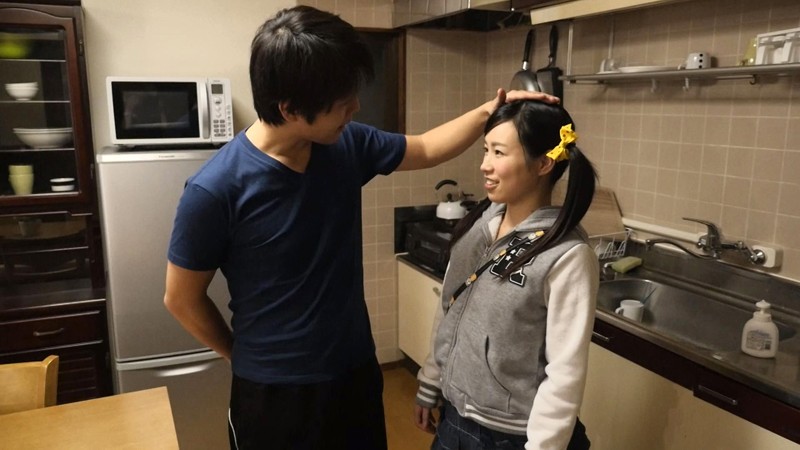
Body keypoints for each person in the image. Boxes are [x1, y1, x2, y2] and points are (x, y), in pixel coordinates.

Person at [163, 5, 558, 450]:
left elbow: (426, 148)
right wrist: (239, 355)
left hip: (353, 374)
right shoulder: (215, 189)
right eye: (341, 102)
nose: (355, 107)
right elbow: (181, 298)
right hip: (274, 394)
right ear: (290, 109)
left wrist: (492, 110)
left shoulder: (344, 144)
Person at [413, 100, 599, 450]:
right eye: (485, 150)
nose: (485, 165)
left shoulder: (567, 255)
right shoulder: (477, 229)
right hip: (454, 418)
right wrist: (431, 380)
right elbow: (450, 309)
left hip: (512, 436)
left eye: (499, 152)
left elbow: (565, 372)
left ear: (543, 163)